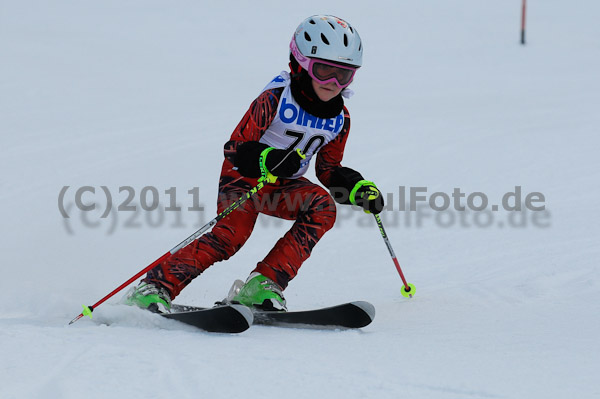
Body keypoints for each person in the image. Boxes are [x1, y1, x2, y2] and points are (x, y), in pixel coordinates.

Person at [125, 15, 384, 313]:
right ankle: (154, 287)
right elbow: (235, 148)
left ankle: (262, 284)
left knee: (323, 207)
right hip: (243, 180)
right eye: (324, 70)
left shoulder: (340, 119)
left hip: (283, 187)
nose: (333, 83)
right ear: (300, 63)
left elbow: (328, 168)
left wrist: (356, 188)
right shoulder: (275, 99)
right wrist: (269, 158)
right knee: (229, 237)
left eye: (345, 75)